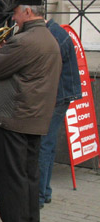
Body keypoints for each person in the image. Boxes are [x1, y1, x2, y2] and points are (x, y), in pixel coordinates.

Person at [0, 0, 61, 222]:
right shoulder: (47, 37)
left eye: (15, 13)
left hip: (14, 118)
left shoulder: (25, 41)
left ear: (27, 11)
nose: (13, 19)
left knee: (11, 178)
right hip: (34, 118)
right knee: (28, 177)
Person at [39, 19, 82, 209]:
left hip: (57, 95)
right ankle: (44, 191)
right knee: (48, 144)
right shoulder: (54, 32)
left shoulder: (52, 36)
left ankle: (39, 194)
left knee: (43, 145)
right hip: (62, 94)